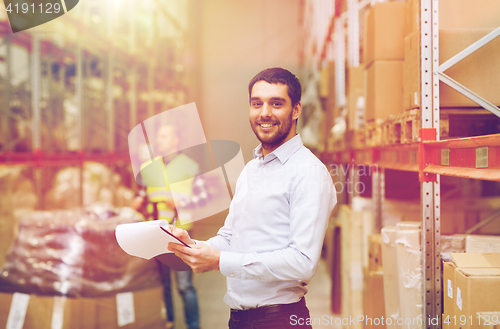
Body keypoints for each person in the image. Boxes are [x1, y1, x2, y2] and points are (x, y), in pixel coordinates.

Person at [167, 67, 337, 329]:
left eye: (276, 103)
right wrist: (195, 247)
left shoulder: (309, 172)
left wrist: (220, 261)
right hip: (238, 319)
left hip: (279, 320)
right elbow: (230, 237)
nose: (264, 113)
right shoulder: (251, 170)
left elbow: (302, 262)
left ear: (296, 110)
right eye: (257, 103)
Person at [131, 124, 201, 329]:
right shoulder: (149, 165)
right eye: (158, 136)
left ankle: (193, 326)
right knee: (163, 285)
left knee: (184, 285)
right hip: (156, 232)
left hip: (181, 232)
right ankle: (168, 322)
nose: (158, 140)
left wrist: (181, 201)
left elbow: (203, 197)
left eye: (163, 136)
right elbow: (143, 193)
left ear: (175, 141)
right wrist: (137, 202)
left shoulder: (190, 166)